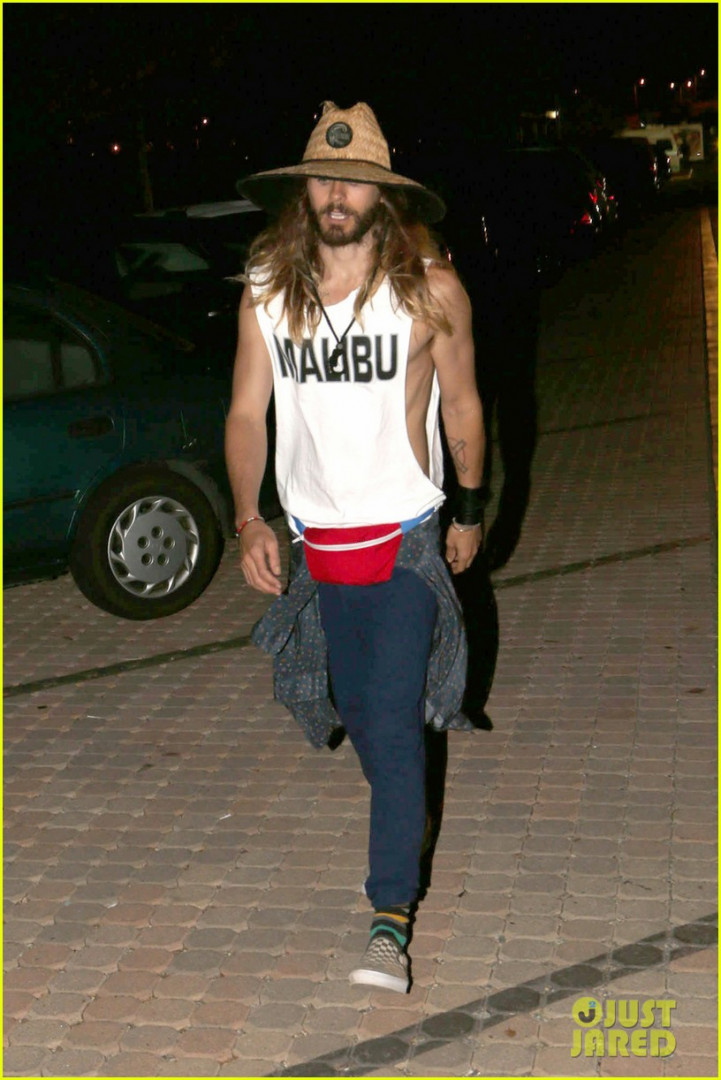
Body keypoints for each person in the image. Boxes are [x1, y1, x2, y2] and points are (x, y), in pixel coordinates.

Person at [225, 101, 486, 994]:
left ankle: (388, 918)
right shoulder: (267, 285)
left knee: (387, 714)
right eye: (324, 180)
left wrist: (469, 511)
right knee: (363, 715)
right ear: (302, 191)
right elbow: (245, 411)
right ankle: (403, 812)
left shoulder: (429, 290)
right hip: (317, 548)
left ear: (385, 196)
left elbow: (462, 404)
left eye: (356, 182)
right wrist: (248, 518)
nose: (337, 194)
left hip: (405, 537)